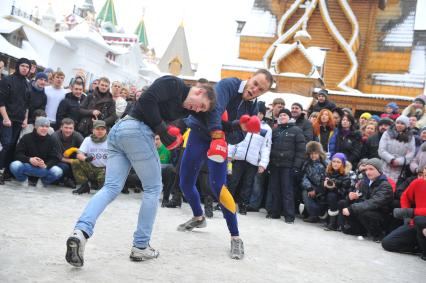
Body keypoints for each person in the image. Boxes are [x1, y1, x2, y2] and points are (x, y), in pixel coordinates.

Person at [65, 75, 215, 267]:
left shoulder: (187, 110)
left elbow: (214, 122)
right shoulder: (174, 84)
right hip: (136, 130)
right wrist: (162, 130)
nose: (198, 109)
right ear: (199, 91)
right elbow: (146, 100)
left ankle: (80, 232)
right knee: (153, 188)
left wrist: (240, 126)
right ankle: (141, 246)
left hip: (119, 132)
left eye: (202, 109)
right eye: (201, 105)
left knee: (110, 187)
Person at [179, 69, 273, 260]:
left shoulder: (253, 108)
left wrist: (225, 134)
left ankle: (236, 237)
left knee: (219, 188)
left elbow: (240, 136)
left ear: (263, 93)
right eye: (255, 83)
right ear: (250, 77)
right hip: (199, 134)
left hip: (220, 144)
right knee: (185, 183)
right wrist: (220, 131)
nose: (255, 89)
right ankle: (199, 217)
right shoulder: (229, 84)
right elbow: (215, 109)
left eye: (260, 89)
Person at [227, 108, 271, 215]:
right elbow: (234, 139)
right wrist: (229, 154)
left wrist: (263, 164)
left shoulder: (266, 129)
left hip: (253, 161)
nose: (258, 115)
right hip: (238, 158)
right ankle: (226, 203)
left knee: (248, 184)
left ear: (263, 115)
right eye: (257, 112)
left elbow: (266, 147)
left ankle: (243, 205)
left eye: (261, 113)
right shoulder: (244, 123)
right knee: (233, 181)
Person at [340, 158, 394, 242]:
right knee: (343, 203)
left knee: (364, 212)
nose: (368, 172)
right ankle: (360, 230)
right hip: (366, 211)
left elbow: (373, 203)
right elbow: (362, 199)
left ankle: (378, 235)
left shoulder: (385, 186)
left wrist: (351, 208)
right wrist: (351, 197)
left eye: (371, 169)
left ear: (379, 170)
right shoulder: (364, 182)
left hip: (380, 215)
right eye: (366, 169)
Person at [267, 108, 306, 223]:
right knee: (275, 189)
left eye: (285, 115)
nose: (282, 117)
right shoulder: (275, 130)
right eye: (280, 115)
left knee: (287, 190)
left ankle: (289, 215)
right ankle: (275, 212)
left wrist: (296, 166)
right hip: (275, 164)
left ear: (289, 117)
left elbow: (301, 150)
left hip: (288, 165)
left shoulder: (296, 130)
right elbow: (269, 147)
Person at [381, 165, 426, 261]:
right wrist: (407, 216)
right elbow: (405, 197)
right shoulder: (418, 182)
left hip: (421, 220)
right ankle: (418, 248)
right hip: (416, 222)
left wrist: (411, 212)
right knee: (387, 243)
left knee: (420, 220)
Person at [0, 58, 31, 184]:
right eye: (22, 65)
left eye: (27, 67)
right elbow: (1, 101)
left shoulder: (27, 83)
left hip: (19, 120)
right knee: (6, 144)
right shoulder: (7, 80)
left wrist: (25, 119)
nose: (25, 68)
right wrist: (6, 118)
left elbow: (27, 104)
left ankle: (6, 172)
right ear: (18, 66)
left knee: (12, 146)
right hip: (7, 118)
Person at [9, 117, 63, 186]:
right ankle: (23, 179)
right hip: (27, 165)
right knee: (15, 165)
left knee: (58, 171)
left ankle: (43, 182)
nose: (44, 128)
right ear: (36, 126)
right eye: (42, 126)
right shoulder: (26, 138)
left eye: (47, 126)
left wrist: (46, 165)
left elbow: (55, 158)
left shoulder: (52, 140)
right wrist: (29, 159)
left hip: (43, 168)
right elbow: (17, 154)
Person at [71, 120, 108, 194]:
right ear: (93, 130)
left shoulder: (111, 141)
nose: (100, 131)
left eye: (102, 129)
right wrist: (86, 158)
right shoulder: (88, 140)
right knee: (75, 162)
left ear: (106, 130)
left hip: (105, 169)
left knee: (103, 187)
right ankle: (84, 186)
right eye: (97, 129)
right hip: (91, 166)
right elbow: (79, 155)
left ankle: (102, 187)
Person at [378, 115, 416, 183]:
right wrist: (391, 159)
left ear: (406, 125)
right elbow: (381, 150)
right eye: (398, 123)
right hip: (385, 166)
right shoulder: (387, 134)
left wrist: (399, 161)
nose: (399, 125)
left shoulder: (410, 137)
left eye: (402, 123)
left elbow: (411, 153)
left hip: (399, 170)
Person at [51, 118, 84, 188]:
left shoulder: (77, 135)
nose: (68, 130)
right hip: (57, 161)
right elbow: (59, 157)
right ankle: (62, 179)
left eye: (70, 128)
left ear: (73, 128)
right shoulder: (54, 136)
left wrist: (73, 149)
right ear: (61, 127)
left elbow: (84, 150)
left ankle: (70, 180)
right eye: (66, 128)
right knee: (64, 166)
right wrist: (73, 161)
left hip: (71, 160)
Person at [300, 141, 328, 223]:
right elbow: (304, 177)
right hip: (312, 186)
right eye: (311, 153)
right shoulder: (307, 163)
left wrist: (318, 189)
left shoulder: (325, 163)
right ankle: (313, 215)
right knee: (305, 193)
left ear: (319, 153)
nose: (313, 155)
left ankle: (320, 212)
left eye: (315, 153)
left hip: (323, 186)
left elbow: (328, 177)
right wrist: (309, 188)